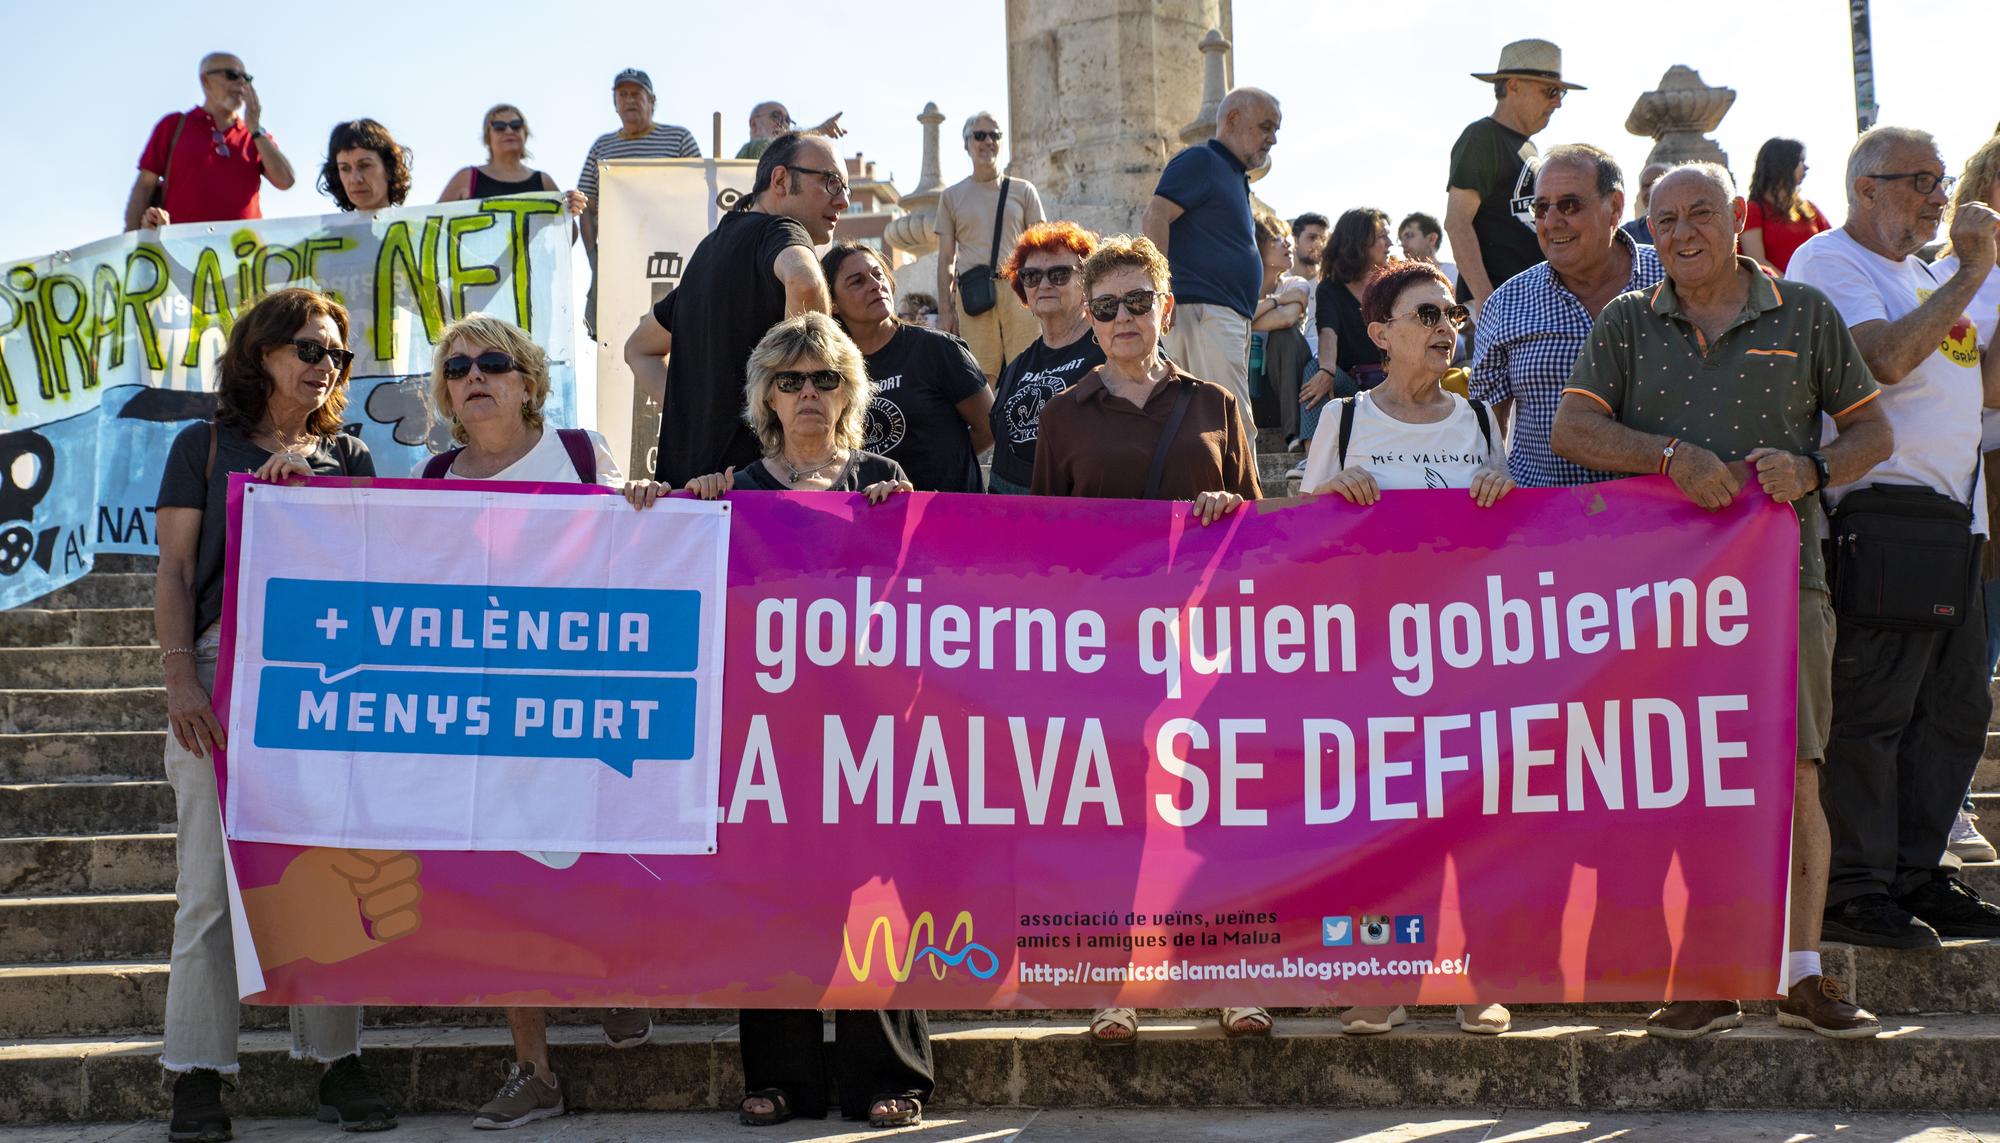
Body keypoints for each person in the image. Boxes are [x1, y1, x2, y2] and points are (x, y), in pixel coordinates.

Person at [1549, 162, 1894, 1039]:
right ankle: (1704, 970)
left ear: (1738, 216)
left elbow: (1873, 430)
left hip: (1785, 580)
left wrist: (1814, 468)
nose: (1682, 234)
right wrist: (1668, 455)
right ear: (1648, 232)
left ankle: (1802, 974)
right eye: (1664, 221)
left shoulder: (1805, 313)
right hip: (1659, 597)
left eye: (1701, 213)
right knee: (1687, 777)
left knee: (1797, 773)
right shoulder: (1629, 319)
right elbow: (1570, 428)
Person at [153, 287, 394, 1139]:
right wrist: (182, 678)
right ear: (261, 353)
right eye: (306, 347)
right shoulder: (203, 446)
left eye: (336, 353)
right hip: (221, 672)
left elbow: (379, 570)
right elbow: (176, 574)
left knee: (332, 869)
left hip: (330, 680)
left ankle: (338, 1061)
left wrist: (312, 498)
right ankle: (196, 1074)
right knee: (209, 891)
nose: (323, 364)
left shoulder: (353, 457)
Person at [408, 313, 659, 1130]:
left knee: (591, 858)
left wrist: (645, 504)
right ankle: (533, 1069)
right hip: (481, 714)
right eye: (455, 368)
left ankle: (615, 979)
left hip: (580, 700)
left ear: (526, 380)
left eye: (489, 362)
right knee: (504, 885)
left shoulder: (582, 453)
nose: (472, 376)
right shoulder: (435, 475)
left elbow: (640, 552)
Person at [677, 315, 926, 1130]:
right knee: (773, 894)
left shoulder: (883, 477)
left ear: (849, 390)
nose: (809, 393)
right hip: (768, 736)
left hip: (869, 729)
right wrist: (676, 508)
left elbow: (932, 592)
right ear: (765, 398)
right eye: (791, 380)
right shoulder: (737, 489)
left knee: (876, 896)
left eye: (824, 377)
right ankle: (783, 1076)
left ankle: (888, 1074)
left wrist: (910, 517)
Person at [1028, 234, 1265, 1042]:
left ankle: (1229, 979)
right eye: (1108, 307)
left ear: (1165, 308)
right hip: (1106, 654)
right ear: (1089, 320)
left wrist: (1230, 513)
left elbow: (1258, 530)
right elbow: (1044, 547)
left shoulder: (1216, 406)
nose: (1124, 318)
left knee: (1211, 813)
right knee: (1120, 819)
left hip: (1203, 643)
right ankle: (1117, 986)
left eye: (1139, 302)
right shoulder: (1061, 417)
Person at [1787, 126, 2000, 949]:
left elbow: (1968, 386)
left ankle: (1916, 872)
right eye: (1921, 180)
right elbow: (1882, 360)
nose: (1939, 196)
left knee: (1951, 710)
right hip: (1878, 517)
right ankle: (1855, 886)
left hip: (1952, 520)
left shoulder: (1920, 274)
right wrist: (1974, 273)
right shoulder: (1830, 261)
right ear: (1866, 187)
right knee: (1873, 711)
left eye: (1941, 180)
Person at [1303, 260, 1516, 1039]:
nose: (1444, 327)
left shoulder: (1482, 423)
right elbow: (1297, 535)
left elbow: (1510, 543)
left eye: (1451, 314)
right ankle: (1379, 979)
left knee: (1470, 818)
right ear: (1381, 332)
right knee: (1379, 821)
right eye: (1426, 314)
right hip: (1369, 657)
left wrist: (1501, 493)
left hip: (1464, 656)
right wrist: (1332, 497)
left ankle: (1476, 977)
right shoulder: (1346, 421)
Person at [622, 132, 844, 487]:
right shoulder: (782, 230)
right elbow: (806, 281)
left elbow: (637, 349)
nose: (843, 199)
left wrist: (691, 410)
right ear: (781, 180)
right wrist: (808, 394)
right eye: (831, 182)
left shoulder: (708, 252)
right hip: (753, 495)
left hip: (687, 498)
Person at [1471, 144, 1665, 488]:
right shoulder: (1507, 303)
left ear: (1615, 206)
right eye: (1541, 207)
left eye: (1569, 205)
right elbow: (1485, 424)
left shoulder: (1671, 279)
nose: (1551, 221)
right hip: (1544, 520)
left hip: (1663, 516)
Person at [1931, 132, 2000, 865]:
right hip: (1978, 476)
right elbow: (1982, 390)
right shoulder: (1947, 276)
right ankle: (1952, 808)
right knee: (1972, 656)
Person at [1142, 88, 1282, 430]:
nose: (1273, 139)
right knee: (1228, 422)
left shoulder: (1230, 174)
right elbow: (1155, 216)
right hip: (1204, 314)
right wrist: (1160, 293)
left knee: (1213, 422)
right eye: (1266, 127)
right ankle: (1240, 488)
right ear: (1233, 119)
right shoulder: (1202, 161)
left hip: (1221, 315)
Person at [823, 242, 993, 492]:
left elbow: (989, 427)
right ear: (833, 303)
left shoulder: (938, 350)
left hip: (945, 514)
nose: (875, 285)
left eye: (878, 274)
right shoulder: (829, 371)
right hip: (874, 516)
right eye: (857, 281)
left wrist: (946, 467)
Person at [1445, 39, 1581, 316]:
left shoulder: (1528, 148)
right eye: (1550, 91)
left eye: (1561, 94)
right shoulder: (1482, 136)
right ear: (1514, 85)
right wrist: (1486, 299)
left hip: (1532, 298)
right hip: (1505, 301)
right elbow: (1457, 222)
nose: (1557, 103)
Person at [577, 68, 702, 335]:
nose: (630, 100)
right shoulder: (602, 146)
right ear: (615, 103)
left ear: (652, 100)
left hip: (670, 252)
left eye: (637, 94)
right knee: (615, 331)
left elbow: (699, 191)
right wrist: (593, 256)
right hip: (617, 253)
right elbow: (585, 203)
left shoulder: (679, 138)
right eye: (623, 94)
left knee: (672, 326)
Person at [989, 221, 1103, 495]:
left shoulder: (1110, 349)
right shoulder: (1018, 366)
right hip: (1016, 515)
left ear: (1087, 281)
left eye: (1060, 274)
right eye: (1031, 276)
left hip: (1080, 511)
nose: (1044, 284)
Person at [126, 51, 296, 230]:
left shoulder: (255, 136)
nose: (241, 83)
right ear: (205, 81)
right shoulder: (174, 125)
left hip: (244, 251)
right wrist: (132, 246)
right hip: (181, 250)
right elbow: (144, 187)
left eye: (246, 78)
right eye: (232, 75)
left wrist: (255, 128)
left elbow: (286, 181)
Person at [934, 112, 1047, 380]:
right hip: (974, 294)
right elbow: (946, 260)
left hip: (1019, 290)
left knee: (1030, 371)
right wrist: (945, 311)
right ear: (966, 143)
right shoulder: (951, 196)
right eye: (980, 135)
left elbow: (1042, 249)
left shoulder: (1024, 190)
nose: (988, 141)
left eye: (995, 135)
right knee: (981, 378)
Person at [1298, 208, 1391, 463]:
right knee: (1315, 369)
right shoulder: (1331, 288)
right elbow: (1328, 331)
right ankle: (1313, 459)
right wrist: (1326, 371)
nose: (1390, 243)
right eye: (1382, 236)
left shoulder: (1393, 286)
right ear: (1360, 242)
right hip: (1354, 385)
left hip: (1394, 384)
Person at [437, 103, 587, 213]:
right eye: (499, 126)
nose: (509, 131)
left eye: (516, 125)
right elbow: (430, 224)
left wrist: (570, 208)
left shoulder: (543, 181)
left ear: (525, 133)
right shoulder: (468, 178)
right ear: (487, 137)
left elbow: (569, 236)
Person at [1251, 213, 1313, 437]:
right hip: (1250, 390)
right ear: (1257, 245)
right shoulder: (1241, 290)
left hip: (1286, 391)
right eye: (1277, 238)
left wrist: (1251, 318)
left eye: (1287, 238)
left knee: (1284, 335)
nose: (1287, 243)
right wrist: (1275, 301)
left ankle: (1294, 435)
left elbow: (1286, 319)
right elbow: (1237, 321)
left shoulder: (1296, 284)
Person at [1742, 138, 1831, 276]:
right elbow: (1757, 263)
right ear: (1782, 165)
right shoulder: (1753, 211)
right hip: (1782, 294)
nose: (1806, 167)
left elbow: (1833, 248)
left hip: (1819, 292)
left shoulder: (1810, 209)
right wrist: (1795, 290)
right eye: (1800, 161)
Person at [319, 119, 411, 213]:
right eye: (345, 168)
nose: (355, 179)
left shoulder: (418, 227)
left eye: (364, 166)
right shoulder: (322, 228)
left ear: (389, 169)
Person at [737, 100, 845, 161]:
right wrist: (818, 131)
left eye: (788, 121)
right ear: (754, 124)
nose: (783, 123)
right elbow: (775, 144)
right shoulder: (750, 149)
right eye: (776, 116)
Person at [1396, 212, 1459, 291]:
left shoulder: (1455, 273)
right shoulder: (1402, 281)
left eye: (1409, 235)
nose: (1403, 244)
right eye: (1401, 239)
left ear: (1432, 238)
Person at [1621, 162, 1669, 246]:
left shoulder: (1687, 229)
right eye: (1646, 186)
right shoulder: (1627, 233)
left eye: (1656, 184)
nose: (1651, 191)